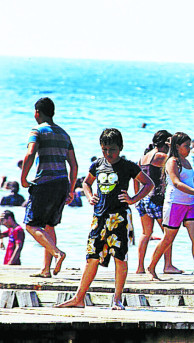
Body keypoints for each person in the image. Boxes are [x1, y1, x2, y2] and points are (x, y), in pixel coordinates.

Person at [56, 128, 154, 309]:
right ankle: (79, 298)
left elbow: (149, 183)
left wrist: (133, 199)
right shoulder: (97, 164)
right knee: (91, 257)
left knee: (120, 257)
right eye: (105, 149)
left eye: (112, 149)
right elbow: (86, 182)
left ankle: (117, 299)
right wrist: (89, 194)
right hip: (99, 217)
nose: (108, 153)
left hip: (119, 217)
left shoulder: (128, 166)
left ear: (120, 148)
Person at [21, 97, 78, 278]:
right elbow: (74, 165)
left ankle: (57, 253)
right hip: (61, 183)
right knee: (49, 225)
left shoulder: (37, 131)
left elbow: (30, 154)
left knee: (31, 225)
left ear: (37, 112)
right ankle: (46, 270)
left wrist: (23, 178)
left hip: (45, 182)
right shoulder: (64, 134)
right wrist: (70, 189)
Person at [147, 132, 194, 282]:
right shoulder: (172, 161)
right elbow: (176, 183)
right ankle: (151, 267)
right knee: (168, 238)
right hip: (175, 204)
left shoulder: (187, 162)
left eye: (190, 146)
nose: (189, 149)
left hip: (190, 204)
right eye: (186, 146)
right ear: (177, 146)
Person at [134, 130, 182, 275]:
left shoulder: (143, 158)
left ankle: (140, 267)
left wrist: (136, 197)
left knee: (145, 233)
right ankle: (168, 265)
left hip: (143, 199)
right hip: (156, 199)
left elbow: (135, 178)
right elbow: (176, 161)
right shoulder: (161, 156)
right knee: (167, 233)